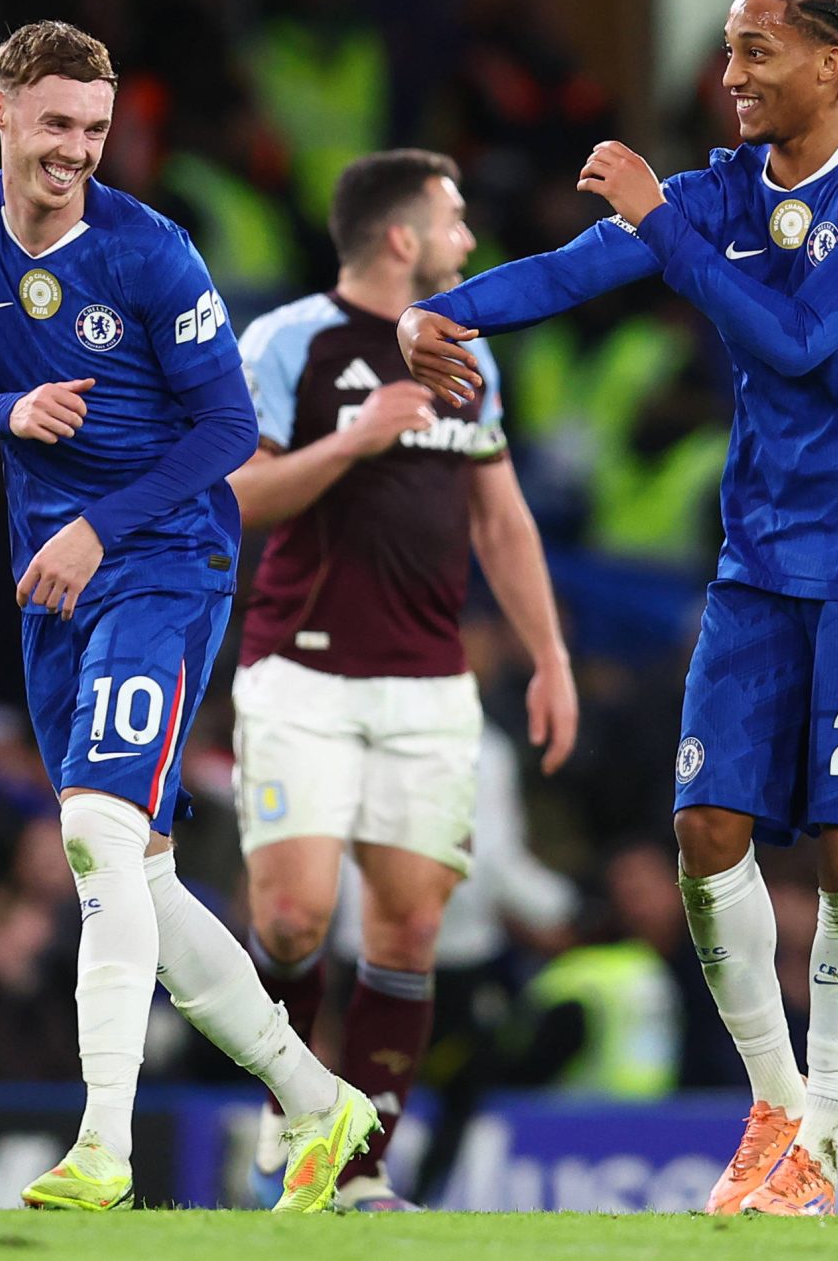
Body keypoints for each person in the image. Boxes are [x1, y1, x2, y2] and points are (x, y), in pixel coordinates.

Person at [401, 0, 838, 1216]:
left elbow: (796, 338)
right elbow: (568, 270)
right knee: (706, 826)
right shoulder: (716, 195)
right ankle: (772, 1109)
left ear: (827, 63)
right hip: (761, 555)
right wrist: (439, 315)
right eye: (726, 50)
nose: (730, 76)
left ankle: (822, 1143)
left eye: (756, 50)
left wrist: (663, 225)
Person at [0, 20, 373, 1213]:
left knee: (94, 834)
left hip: (160, 559)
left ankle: (101, 1149)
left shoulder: (150, 252)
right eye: (55, 123)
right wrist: (8, 414)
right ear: (1, 110)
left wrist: (99, 526)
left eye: (96, 129)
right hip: (54, 577)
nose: (75, 150)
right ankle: (319, 1102)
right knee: (138, 875)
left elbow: (229, 432)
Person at [230, 150, 578, 1210]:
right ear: (400, 236)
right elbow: (236, 495)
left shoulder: (468, 351)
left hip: (428, 685)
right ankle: (294, 1094)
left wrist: (551, 657)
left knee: (410, 930)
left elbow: (501, 519)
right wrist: (354, 437)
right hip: (301, 670)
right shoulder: (286, 341)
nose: (467, 241)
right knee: (293, 920)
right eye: (453, 220)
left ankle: (358, 1171)